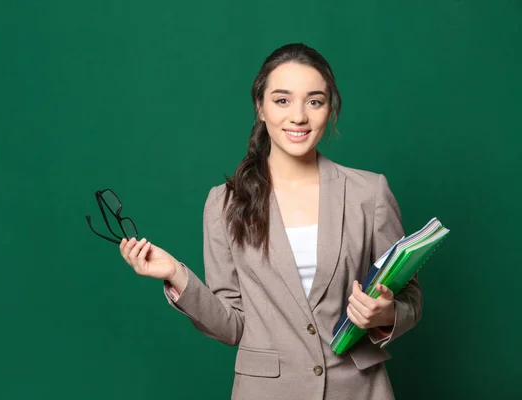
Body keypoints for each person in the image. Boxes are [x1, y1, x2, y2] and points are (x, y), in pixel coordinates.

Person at [119, 43, 422, 400]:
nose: (298, 116)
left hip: (358, 390)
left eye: (314, 101)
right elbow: (233, 326)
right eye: (282, 100)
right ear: (260, 108)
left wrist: (385, 314)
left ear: (330, 109)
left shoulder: (369, 193)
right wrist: (176, 275)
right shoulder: (224, 202)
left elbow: (411, 298)